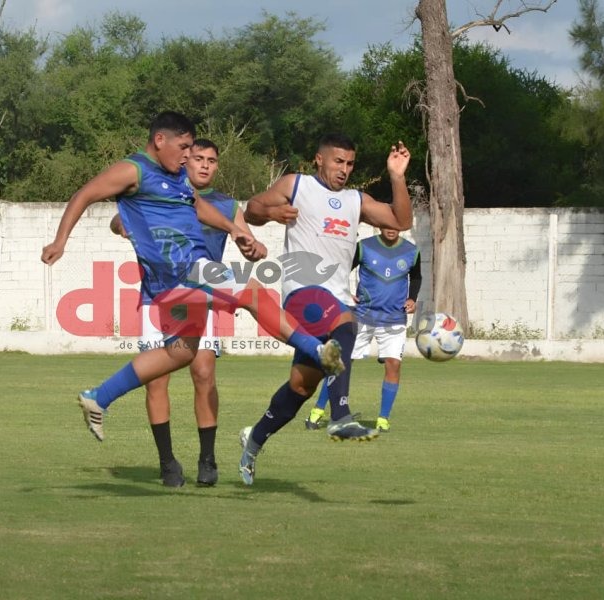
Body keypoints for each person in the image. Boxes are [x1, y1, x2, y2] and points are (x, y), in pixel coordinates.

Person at [41, 111, 346, 479]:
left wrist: (236, 231)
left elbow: (201, 208)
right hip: (179, 272)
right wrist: (61, 241)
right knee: (251, 292)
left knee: (183, 351)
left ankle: (99, 397)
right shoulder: (133, 170)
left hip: (183, 279)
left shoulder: (177, 180)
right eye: (184, 147)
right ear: (160, 141)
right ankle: (317, 349)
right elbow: (85, 194)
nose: (187, 155)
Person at [237, 133, 413, 485]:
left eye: (349, 164)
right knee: (347, 325)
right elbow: (251, 210)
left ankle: (253, 440)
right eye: (338, 162)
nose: (344, 170)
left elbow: (400, 220)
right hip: (303, 294)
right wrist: (273, 212)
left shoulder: (355, 200)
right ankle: (340, 414)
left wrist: (397, 177)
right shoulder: (296, 184)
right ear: (319, 160)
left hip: (335, 297)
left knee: (299, 390)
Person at [108, 138, 245, 487]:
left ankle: (207, 458)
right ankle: (168, 463)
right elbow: (116, 220)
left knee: (204, 374)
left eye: (211, 160)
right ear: (184, 160)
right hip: (157, 296)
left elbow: (245, 233)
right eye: (197, 158)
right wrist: (123, 226)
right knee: (156, 381)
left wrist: (249, 239)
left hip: (201, 298)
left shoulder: (227, 207)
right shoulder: (159, 192)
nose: (204, 165)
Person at [305, 227, 422, 433]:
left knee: (393, 365)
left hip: (394, 319)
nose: (391, 229)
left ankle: (383, 419)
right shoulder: (364, 247)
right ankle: (317, 411)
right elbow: (342, 271)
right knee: (340, 364)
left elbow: (416, 277)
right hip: (362, 316)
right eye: (387, 224)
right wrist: (346, 293)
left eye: (395, 225)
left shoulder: (411, 251)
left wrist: (412, 298)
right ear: (380, 225)